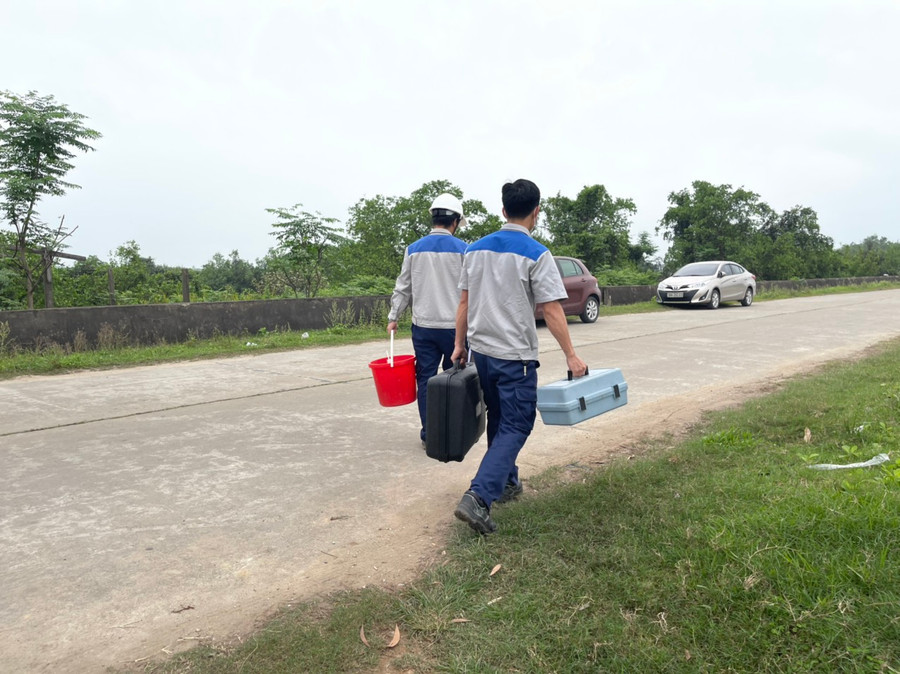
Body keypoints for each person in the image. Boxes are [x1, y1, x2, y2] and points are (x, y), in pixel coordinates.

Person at [450, 178, 587, 534]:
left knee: (499, 417)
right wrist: (571, 355)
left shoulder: (475, 249)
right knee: (518, 422)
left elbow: (464, 301)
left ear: (503, 210)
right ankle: (479, 498)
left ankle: (507, 481)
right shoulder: (537, 254)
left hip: (482, 351)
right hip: (515, 357)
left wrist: (459, 344)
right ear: (536, 212)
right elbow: (552, 309)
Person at [387, 193, 469, 445]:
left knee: (425, 380)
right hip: (454, 328)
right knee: (455, 378)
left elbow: (403, 288)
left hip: (423, 326)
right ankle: (453, 433)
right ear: (455, 221)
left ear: (433, 218)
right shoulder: (465, 250)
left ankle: (429, 435)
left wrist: (393, 317)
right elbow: (472, 291)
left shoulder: (413, 249)